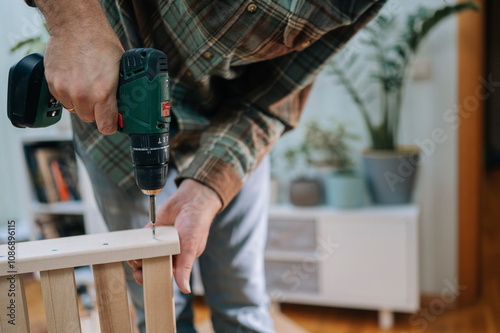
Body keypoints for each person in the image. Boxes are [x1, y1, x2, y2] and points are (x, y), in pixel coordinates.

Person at [24, 0, 385, 331]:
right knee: (157, 309)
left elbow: (272, 98)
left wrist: (210, 189)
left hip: (232, 133)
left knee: (242, 304)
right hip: (116, 135)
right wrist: (74, 22)